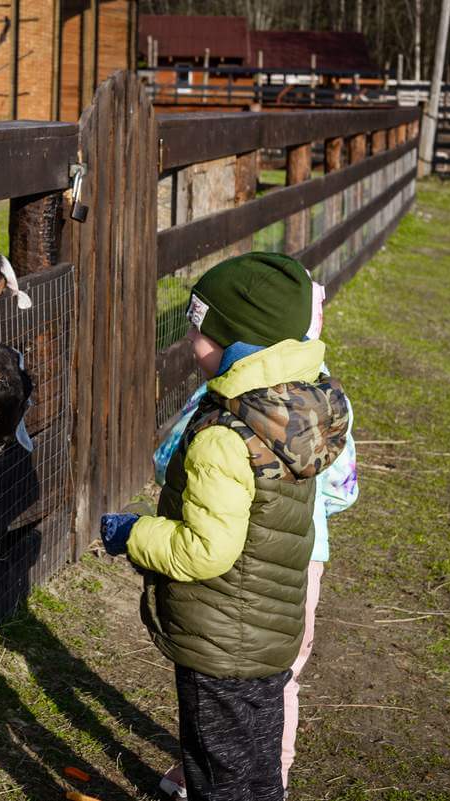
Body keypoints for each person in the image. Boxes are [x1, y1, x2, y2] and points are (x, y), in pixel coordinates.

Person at [99, 253, 349, 801]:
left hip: (224, 641)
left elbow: (205, 550)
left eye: (200, 329)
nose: (191, 341)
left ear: (240, 341)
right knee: (251, 771)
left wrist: (131, 534)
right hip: (264, 633)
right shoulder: (293, 409)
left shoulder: (226, 433)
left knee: (221, 776)